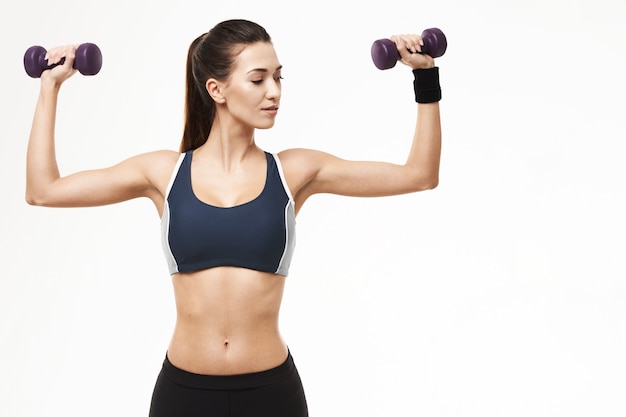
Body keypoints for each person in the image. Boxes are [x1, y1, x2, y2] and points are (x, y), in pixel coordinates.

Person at [26, 18, 442, 417]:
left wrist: (425, 77)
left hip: (271, 395)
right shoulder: (164, 174)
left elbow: (419, 175)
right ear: (217, 89)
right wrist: (50, 87)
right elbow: (43, 191)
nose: (274, 91)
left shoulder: (294, 171)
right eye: (258, 79)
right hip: (183, 395)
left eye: (279, 77)